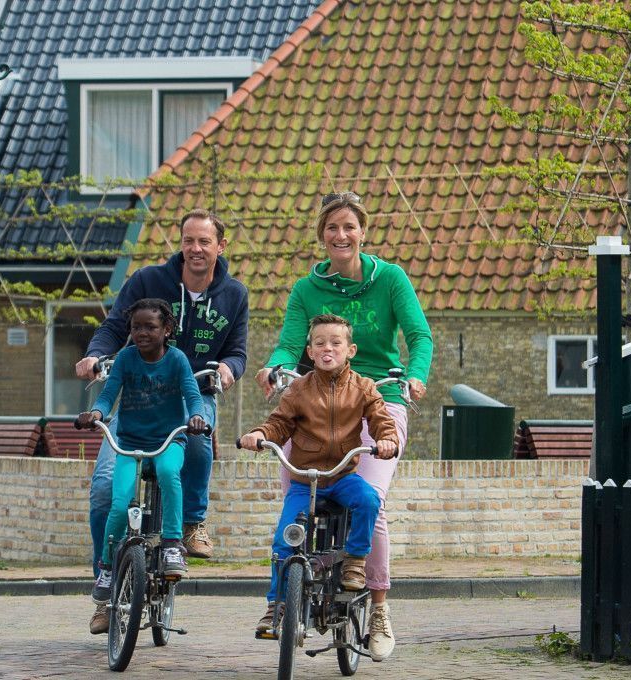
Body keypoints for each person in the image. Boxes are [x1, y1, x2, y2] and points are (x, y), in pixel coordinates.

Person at [252, 191, 431, 658]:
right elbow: (291, 343)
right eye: (332, 228)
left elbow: (418, 334)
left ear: (363, 231)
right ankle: (288, 589)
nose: (341, 235)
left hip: (379, 399)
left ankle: (378, 610)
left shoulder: (390, 278)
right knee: (297, 493)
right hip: (316, 399)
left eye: (349, 227)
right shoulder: (306, 289)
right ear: (322, 235)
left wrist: (414, 376)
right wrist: (274, 369)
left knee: (371, 499)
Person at [77, 210, 249, 632]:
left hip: (192, 395)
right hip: (135, 399)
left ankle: (191, 523)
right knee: (103, 492)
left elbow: (238, 351)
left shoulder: (234, 294)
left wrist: (228, 368)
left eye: (204, 242)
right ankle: (107, 588)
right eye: (189, 240)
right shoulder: (147, 282)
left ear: (219, 247)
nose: (195, 249)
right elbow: (114, 327)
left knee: (198, 438)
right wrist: (95, 356)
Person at [238, 314, 399, 640]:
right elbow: (279, 423)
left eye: (336, 343)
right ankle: (277, 604)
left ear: (350, 349)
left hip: (342, 476)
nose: (328, 349)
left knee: (368, 500)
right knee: (285, 537)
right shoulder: (298, 389)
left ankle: (355, 559)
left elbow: (382, 419)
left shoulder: (363, 388)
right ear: (310, 352)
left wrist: (387, 440)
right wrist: (259, 434)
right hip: (305, 481)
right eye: (320, 343)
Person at [77, 298, 210, 625]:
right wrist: (97, 413)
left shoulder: (177, 360)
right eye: (136, 327)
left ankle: (171, 544)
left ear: (166, 330)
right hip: (131, 443)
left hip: (169, 440)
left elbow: (193, 395)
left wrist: (195, 416)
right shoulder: (125, 358)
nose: (142, 333)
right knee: (119, 503)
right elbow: (109, 395)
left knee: (168, 472)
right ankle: (107, 568)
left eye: (150, 327)